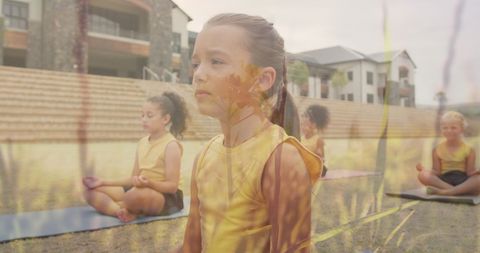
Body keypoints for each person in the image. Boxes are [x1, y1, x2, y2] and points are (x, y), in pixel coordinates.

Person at [178, 13, 323, 253]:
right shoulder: (203, 157)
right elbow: (192, 244)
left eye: (216, 61)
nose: (199, 74)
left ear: (262, 79)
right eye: (196, 63)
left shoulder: (280, 160)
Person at [82, 92, 188, 222]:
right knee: (90, 192)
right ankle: (119, 211)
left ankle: (124, 205)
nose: (144, 119)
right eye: (142, 115)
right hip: (139, 189)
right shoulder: (142, 142)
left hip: (166, 196)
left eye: (149, 116)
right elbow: (133, 179)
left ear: (165, 119)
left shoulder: (171, 145)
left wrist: (149, 183)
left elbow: (172, 186)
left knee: (133, 196)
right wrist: (102, 182)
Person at [416, 111, 479, 195]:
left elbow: (470, 172)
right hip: (444, 181)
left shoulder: (469, 150)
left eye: (453, 128)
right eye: (445, 128)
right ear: (441, 129)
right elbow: (436, 171)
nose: (449, 130)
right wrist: (424, 170)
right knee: (422, 175)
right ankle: (455, 191)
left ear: (462, 129)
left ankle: (446, 192)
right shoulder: (437, 149)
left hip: (463, 180)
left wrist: (477, 172)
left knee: (478, 179)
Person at [301, 104, 330, 177]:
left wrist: (317, 155)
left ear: (314, 126)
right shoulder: (301, 138)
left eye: (306, 125)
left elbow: (321, 158)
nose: (303, 127)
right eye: (302, 125)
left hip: (314, 164)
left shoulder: (318, 140)